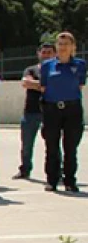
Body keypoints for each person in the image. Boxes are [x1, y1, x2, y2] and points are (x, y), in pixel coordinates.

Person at [33, 32, 85, 192]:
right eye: (60, 44)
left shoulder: (80, 64)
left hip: (72, 108)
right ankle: (52, 180)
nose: (63, 47)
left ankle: (70, 180)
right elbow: (43, 86)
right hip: (51, 108)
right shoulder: (48, 65)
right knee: (52, 146)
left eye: (66, 44)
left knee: (70, 146)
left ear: (73, 47)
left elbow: (80, 85)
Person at [14, 42, 56, 180]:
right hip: (30, 111)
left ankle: (56, 171)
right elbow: (26, 83)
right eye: (44, 52)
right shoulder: (31, 70)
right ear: (38, 54)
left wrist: (37, 85)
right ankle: (25, 170)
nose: (46, 55)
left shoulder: (57, 70)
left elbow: (57, 85)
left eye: (49, 52)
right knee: (26, 144)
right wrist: (46, 86)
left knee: (53, 144)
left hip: (50, 111)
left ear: (55, 54)